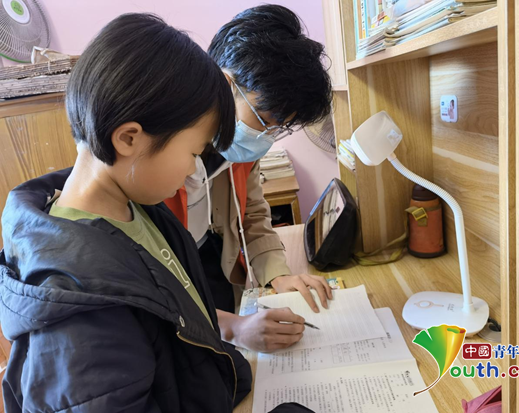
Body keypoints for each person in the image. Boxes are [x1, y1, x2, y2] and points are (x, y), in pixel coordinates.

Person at [0, 13, 255, 412]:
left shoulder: (140, 209)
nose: (194, 168)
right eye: (193, 152)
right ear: (128, 138)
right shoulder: (80, 305)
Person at [164, 5, 334, 353]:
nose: (267, 136)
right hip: (170, 280)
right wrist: (234, 328)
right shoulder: (159, 157)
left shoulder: (240, 148)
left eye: (279, 127)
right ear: (225, 84)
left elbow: (253, 214)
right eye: (265, 120)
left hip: (215, 262)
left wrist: (278, 274)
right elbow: (148, 287)